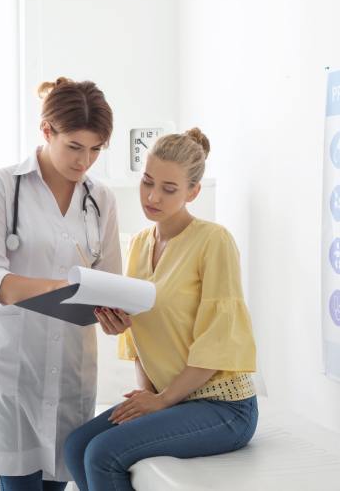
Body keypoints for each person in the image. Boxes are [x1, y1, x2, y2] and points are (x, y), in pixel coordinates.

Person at [63, 128, 258, 491]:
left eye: (169, 189)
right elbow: (141, 331)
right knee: (76, 446)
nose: (153, 196)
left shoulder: (214, 241)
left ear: (193, 192)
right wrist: (118, 328)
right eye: (147, 182)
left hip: (223, 407)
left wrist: (162, 401)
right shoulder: (138, 245)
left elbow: (218, 341)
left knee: (102, 454)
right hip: (172, 399)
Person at [0, 77, 129, 491]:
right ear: (47, 131)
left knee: (59, 481)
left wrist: (116, 315)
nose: (84, 161)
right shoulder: (2, 186)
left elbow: (109, 280)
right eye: (74, 146)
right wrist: (61, 289)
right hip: (14, 366)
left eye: (95, 149)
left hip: (71, 367)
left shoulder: (101, 199)